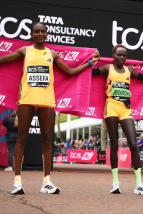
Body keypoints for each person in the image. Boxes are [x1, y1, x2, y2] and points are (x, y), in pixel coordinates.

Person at [0, 22, 100, 195]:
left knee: (47, 138)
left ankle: (46, 181)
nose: (40, 33)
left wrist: (90, 63)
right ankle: (17, 182)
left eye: (43, 31)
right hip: (27, 99)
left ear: (47, 35)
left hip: (47, 101)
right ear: (31, 34)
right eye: (36, 31)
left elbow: (69, 72)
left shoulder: (52, 54)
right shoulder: (24, 51)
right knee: (21, 138)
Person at [92, 44, 143, 195]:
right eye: (119, 55)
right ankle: (115, 184)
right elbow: (89, 74)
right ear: (113, 56)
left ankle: (139, 184)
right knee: (113, 144)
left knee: (133, 143)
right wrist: (91, 61)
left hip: (125, 109)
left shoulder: (129, 70)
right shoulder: (107, 68)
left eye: (124, 55)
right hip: (111, 105)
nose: (122, 57)